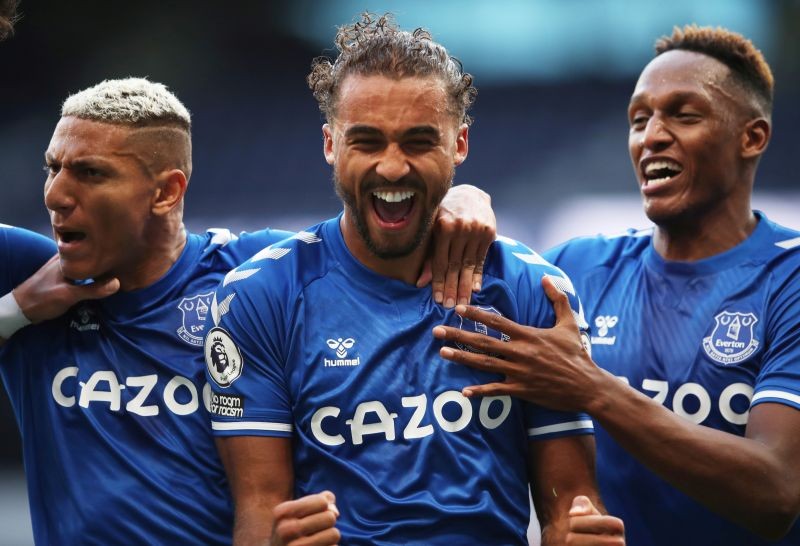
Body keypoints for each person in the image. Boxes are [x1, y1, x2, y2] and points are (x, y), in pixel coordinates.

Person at [0, 76, 496, 544]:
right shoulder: (29, 274)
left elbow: (374, 240)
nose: (55, 195)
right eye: (53, 168)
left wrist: (461, 198)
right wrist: (16, 310)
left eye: (89, 173)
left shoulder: (259, 275)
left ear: (167, 191)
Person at [204, 13, 602, 545]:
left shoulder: (532, 291)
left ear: (458, 145)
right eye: (367, 142)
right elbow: (258, 513)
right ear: (330, 144)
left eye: (418, 142)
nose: (392, 168)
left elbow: (570, 508)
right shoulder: (259, 297)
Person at [433, 25, 800, 545]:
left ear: (752, 137)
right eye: (639, 119)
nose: (651, 135)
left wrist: (592, 387)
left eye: (683, 114)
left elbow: (777, 493)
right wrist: (460, 197)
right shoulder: (575, 270)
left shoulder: (789, 279)